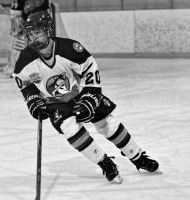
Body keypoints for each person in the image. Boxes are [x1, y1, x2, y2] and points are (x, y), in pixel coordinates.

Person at [13, 11, 161, 183]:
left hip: (81, 92)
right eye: (30, 34)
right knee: (69, 127)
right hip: (55, 101)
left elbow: (90, 70)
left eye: (37, 32)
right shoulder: (25, 59)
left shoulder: (70, 48)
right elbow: (24, 83)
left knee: (107, 123)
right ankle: (104, 163)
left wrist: (90, 98)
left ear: (49, 31)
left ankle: (137, 156)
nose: (33, 38)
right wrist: (32, 100)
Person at [3, 0, 50, 77]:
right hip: (23, 27)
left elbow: (45, 10)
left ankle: (40, 68)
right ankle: (14, 68)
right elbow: (16, 17)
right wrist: (19, 27)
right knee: (19, 44)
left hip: (37, 25)